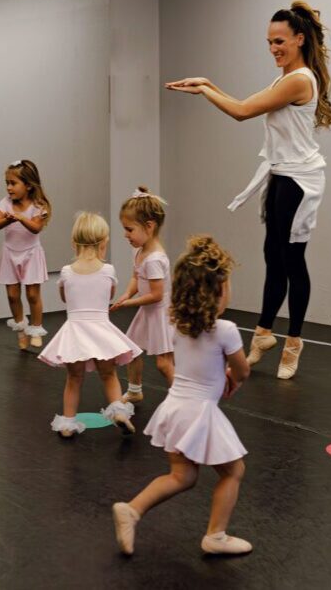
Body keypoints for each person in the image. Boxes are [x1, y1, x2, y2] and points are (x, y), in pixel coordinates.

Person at [165, 0, 331, 380]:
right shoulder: (284, 78)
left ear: (300, 39)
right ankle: (263, 334)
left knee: (293, 261)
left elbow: (241, 111)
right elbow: (244, 103)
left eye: (280, 41)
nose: (273, 48)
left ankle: (293, 341)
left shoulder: (299, 79)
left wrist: (204, 91)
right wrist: (208, 84)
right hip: (280, 175)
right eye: (269, 42)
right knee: (272, 257)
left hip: (300, 182)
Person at [113, 235, 252, 556]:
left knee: (183, 475)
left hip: (175, 408)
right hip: (199, 411)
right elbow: (242, 371)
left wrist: (224, 375)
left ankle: (131, 510)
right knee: (234, 471)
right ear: (219, 291)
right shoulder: (226, 330)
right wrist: (233, 376)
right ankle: (215, 535)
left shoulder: (179, 326)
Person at [39, 212, 141, 437]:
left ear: (74, 242)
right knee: (109, 375)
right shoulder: (108, 271)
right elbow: (109, 295)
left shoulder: (67, 272)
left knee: (74, 379)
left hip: (75, 331)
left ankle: (67, 423)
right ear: (103, 242)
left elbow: (65, 298)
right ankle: (119, 412)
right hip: (101, 330)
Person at [111, 187, 175, 402]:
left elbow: (157, 295)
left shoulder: (155, 259)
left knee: (164, 363)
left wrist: (130, 303)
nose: (125, 235)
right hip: (148, 310)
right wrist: (126, 294)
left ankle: (185, 401)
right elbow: (136, 278)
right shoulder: (138, 250)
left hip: (160, 313)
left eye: (129, 229)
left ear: (149, 226)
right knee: (132, 350)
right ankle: (135, 391)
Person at [0, 160, 50, 349]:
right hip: (10, 252)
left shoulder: (38, 205)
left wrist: (21, 217)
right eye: (7, 183)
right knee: (12, 295)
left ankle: (36, 326)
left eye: (13, 183)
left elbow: (35, 229)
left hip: (31, 253)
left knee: (33, 295)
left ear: (28, 185)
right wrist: (8, 221)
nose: (9, 188)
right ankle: (21, 328)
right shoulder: (5, 203)